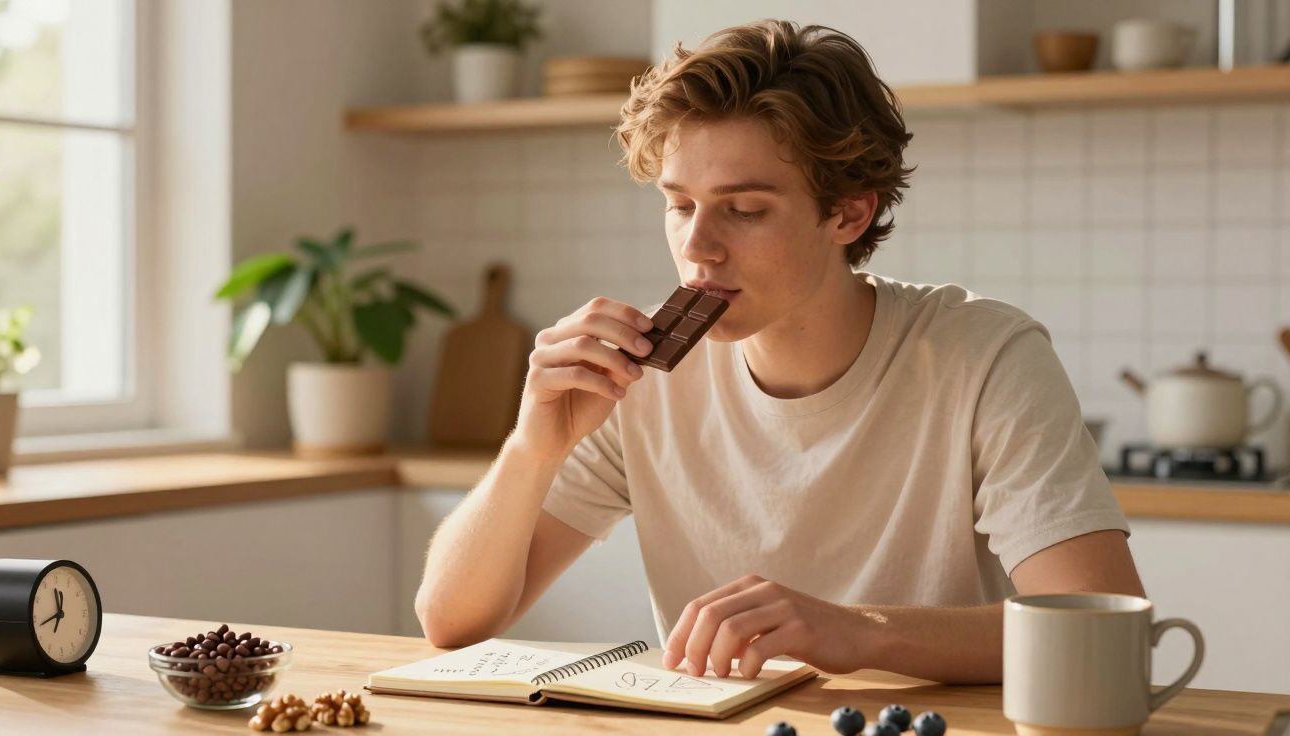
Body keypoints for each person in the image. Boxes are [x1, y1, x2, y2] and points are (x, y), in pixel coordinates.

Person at [415, 19, 1144, 685]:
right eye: (679, 204)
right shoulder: (639, 377)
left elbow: (1104, 633)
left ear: (849, 211)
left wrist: (856, 631)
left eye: (745, 210)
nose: (697, 246)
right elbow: (451, 621)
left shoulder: (984, 357)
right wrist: (529, 450)